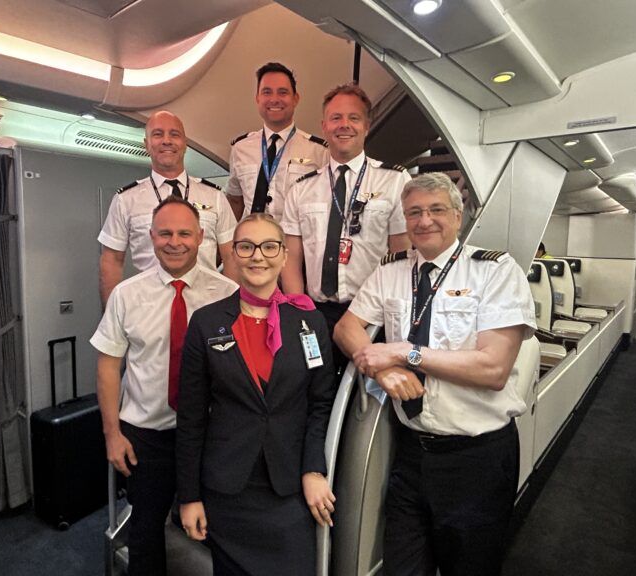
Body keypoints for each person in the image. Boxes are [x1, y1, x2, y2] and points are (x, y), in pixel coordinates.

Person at [333, 172, 537, 576]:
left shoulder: (493, 272)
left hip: (475, 459)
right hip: (410, 454)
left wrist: (403, 353)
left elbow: (493, 368)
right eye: (414, 213)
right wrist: (385, 371)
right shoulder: (392, 270)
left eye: (436, 210)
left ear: (458, 217)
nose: (424, 221)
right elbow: (345, 328)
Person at [177, 213, 338, 576]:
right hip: (228, 488)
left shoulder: (310, 323)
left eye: (269, 246)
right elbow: (190, 418)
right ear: (233, 254)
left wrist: (314, 469)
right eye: (246, 246)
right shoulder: (206, 322)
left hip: (289, 486)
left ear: (283, 256)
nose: (257, 256)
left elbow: (320, 403)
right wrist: (189, 496)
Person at [91, 197, 237, 576]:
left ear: (202, 237)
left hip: (210, 434)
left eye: (185, 233)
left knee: (220, 527)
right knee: (146, 527)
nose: (175, 242)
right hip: (147, 434)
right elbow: (108, 365)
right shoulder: (127, 295)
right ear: (151, 237)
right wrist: (112, 434)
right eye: (165, 233)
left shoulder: (227, 294)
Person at [281, 83, 411, 363]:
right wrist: (298, 312)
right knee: (314, 391)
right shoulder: (302, 188)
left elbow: (402, 255)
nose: (344, 125)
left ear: (367, 125)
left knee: (361, 398)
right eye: (336, 118)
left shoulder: (394, 181)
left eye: (354, 118)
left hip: (370, 316)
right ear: (324, 126)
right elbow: (291, 260)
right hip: (315, 312)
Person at [98, 110, 238, 304]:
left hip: (207, 305)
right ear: (146, 144)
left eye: (174, 134)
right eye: (157, 134)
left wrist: (230, 312)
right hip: (149, 307)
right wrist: (112, 318)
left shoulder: (215, 196)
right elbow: (111, 261)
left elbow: (231, 257)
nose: (166, 141)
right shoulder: (126, 200)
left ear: (185, 144)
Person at [226, 62, 329, 223]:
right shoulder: (240, 148)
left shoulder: (318, 151)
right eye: (267, 92)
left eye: (283, 92)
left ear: (295, 99)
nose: (274, 99)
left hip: (296, 243)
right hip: (252, 243)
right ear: (257, 98)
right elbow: (235, 201)